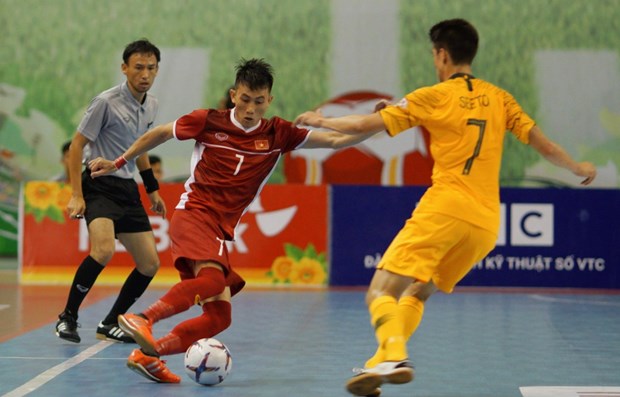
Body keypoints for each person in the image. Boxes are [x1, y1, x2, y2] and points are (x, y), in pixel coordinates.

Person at [295, 18, 597, 397]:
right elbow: (543, 145)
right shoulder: (499, 97)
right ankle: (380, 361)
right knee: (417, 293)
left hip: (445, 208)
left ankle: (395, 356)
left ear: (441, 54)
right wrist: (578, 168)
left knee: (378, 292)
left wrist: (321, 118)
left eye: (433, 55)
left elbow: (361, 126)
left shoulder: (433, 95)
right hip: (487, 224)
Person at [88, 58, 378, 383]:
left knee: (218, 316)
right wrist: (119, 162)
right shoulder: (208, 121)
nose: (250, 108)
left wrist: (381, 121)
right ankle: (144, 317)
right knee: (212, 282)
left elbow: (338, 140)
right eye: (244, 99)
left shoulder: (278, 133)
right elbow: (159, 133)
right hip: (195, 213)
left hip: (220, 229)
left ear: (269, 100)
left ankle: (147, 355)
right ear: (233, 95)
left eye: (258, 101)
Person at [55, 39, 166, 345]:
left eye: (151, 68)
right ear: (125, 68)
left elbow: (140, 148)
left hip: (127, 188)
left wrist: (152, 190)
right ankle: (68, 317)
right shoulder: (105, 102)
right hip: (98, 183)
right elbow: (77, 145)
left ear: (157, 70)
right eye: (138, 67)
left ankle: (110, 322)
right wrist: (76, 194)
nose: (145, 73)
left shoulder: (151, 104)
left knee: (149, 264)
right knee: (103, 250)